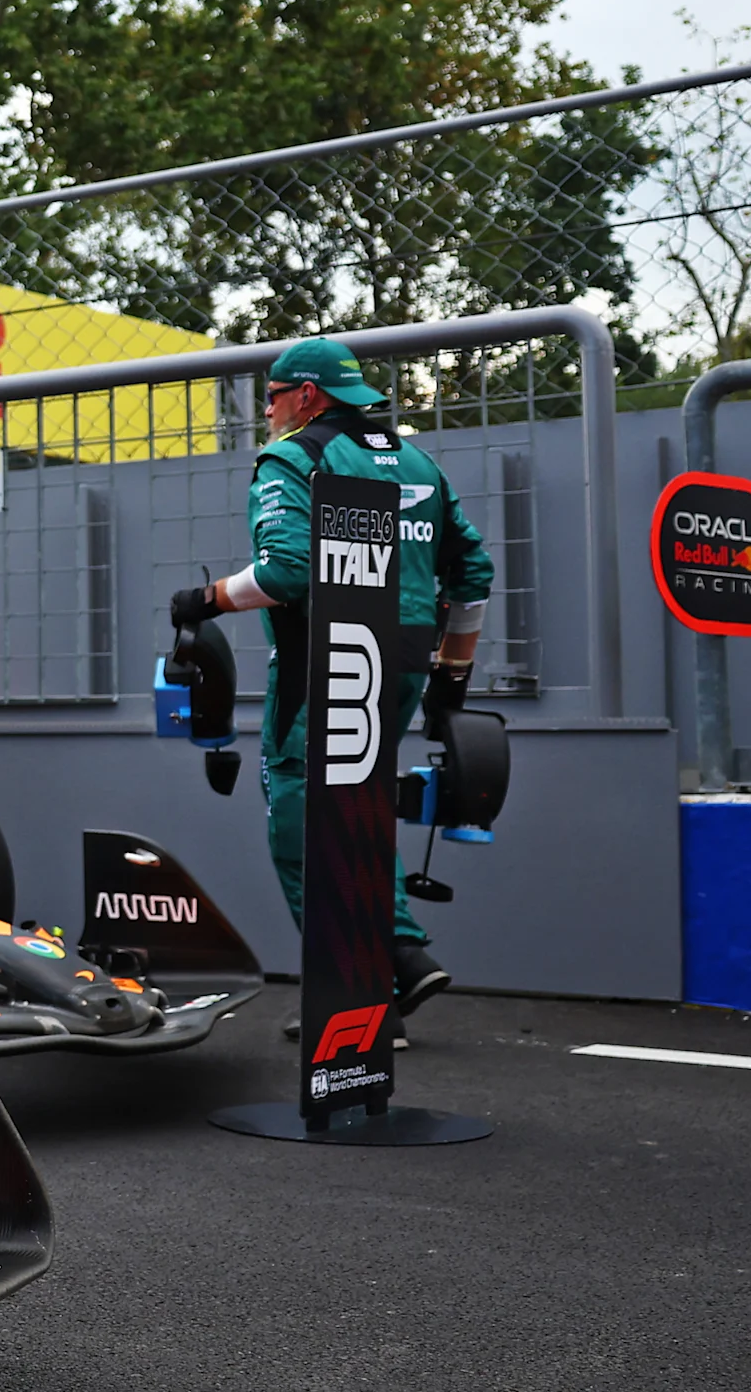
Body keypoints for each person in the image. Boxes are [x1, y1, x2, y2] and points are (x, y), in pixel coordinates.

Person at [170, 338, 489, 1027]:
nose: (270, 410)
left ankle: (366, 984)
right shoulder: (417, 461)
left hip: (327, 663)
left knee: (297, 816)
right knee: (359, 804)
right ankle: (398, 963)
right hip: (403, 666)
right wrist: (452, 675)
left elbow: (284, 572)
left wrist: (205, 599)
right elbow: (474, 576)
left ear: (307, 395)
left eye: (275, 396)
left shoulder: (295, 458)